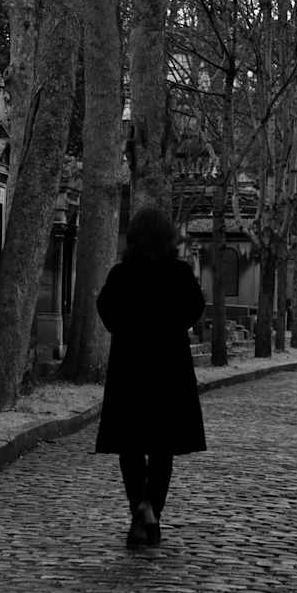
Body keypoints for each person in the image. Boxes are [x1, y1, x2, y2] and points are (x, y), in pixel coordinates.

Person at [96, 208, 207, 547]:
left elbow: (106, 311)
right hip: (169, 368)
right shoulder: (179, 273)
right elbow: (195, 308)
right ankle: (152, 512)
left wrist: (127, 330)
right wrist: (172, 327)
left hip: (130, 368)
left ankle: (138, 509)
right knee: (162, 448)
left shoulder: (122, 274)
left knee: (130, 447)